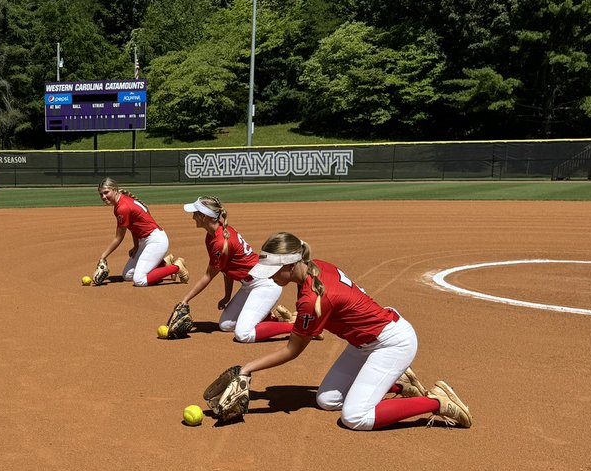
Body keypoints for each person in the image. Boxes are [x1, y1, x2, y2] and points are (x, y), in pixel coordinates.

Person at [220, 231, 472, 429]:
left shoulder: (311, 298)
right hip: (364, 342)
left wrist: (247, 369)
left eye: (272, 271)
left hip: (391, 343)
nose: (268, 276)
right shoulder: (314, 267)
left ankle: (438, 401)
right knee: (327, 401)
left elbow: (292, 350)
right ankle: (399, 385)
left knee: (356, 417)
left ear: (290, 264)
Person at [177, 196, 295, 343]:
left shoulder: (220, 241)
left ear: (204, 216)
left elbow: (208, 276)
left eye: (195, 212)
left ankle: (295, 327)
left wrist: (186, 299)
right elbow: (225, 268)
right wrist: (227, 296)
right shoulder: (215, 234)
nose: (193, 216)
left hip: (265, 284)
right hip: (249, 285)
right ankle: (273, 317)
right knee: (226, 325)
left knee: (243, 334)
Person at [96, 177, 187, 287]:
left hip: (156, 241)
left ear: (115, 190)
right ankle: (164, 263)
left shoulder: (122, 208)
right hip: (145, 241)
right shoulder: (122, 201)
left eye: (106, 193)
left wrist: (103, 256)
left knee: (139, 280)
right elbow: (134, 226)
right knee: (128, 275)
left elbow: (118, 238)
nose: (103, 197)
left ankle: (176, 267)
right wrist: (136, 246)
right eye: (101, 194)